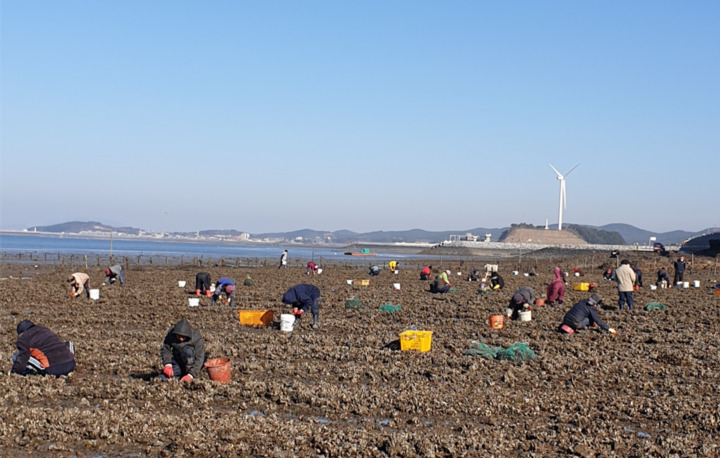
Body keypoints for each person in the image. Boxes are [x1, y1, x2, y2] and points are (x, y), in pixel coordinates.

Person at [11, 320, 76, 376]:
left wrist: (14, 372)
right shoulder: (44, 329)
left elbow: (23, 358)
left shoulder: (23, 338)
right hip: (71, 364)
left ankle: (27, 370)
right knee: (65, 345)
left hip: (52, 369)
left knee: (17, 356)